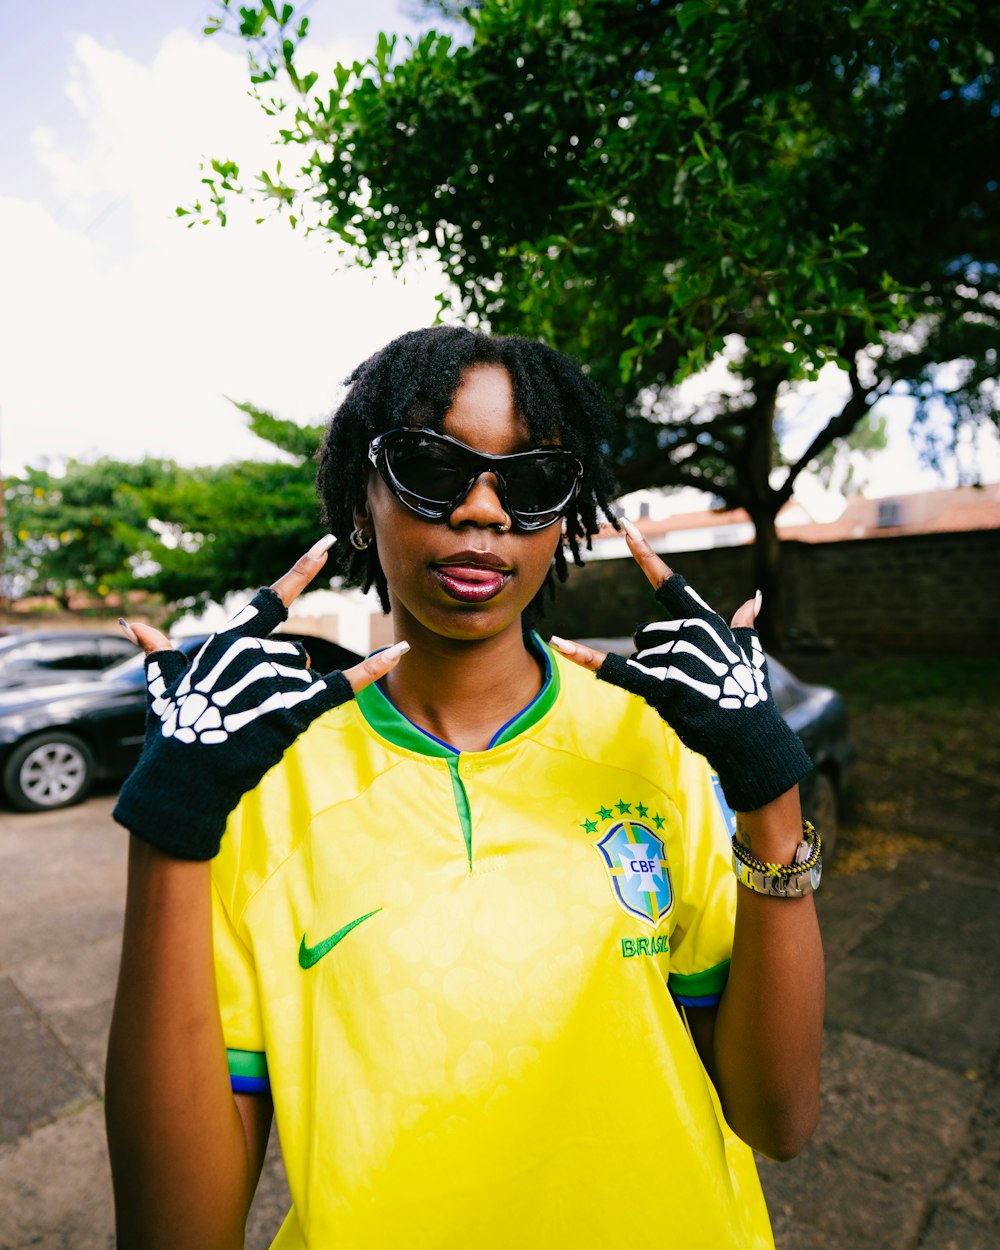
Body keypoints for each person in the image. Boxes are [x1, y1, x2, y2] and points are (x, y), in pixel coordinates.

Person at [105, 326, 824, 1250]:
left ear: (565, 517)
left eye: (529, 483)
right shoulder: (261, 783)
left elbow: (780, 1120)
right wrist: (170, 820)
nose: (483, 510)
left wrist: (770, 791)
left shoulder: (654, 741)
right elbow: (176, 1234)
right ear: (362, 504)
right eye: (431, 468)